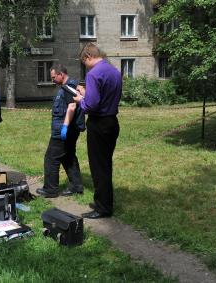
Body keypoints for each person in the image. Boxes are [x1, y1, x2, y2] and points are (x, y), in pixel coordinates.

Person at [73, 43, 122, 219]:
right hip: (111, 122)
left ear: (88, 57)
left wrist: (80, 99)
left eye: (83, 62)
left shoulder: (93, 74)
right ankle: (104, 201)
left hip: (99, 124)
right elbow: (104, 98)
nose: (84, 65)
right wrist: (88, 94)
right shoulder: (114, 71)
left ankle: (103, 208)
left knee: (98, 167)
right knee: (105, 164)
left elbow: (92, 105)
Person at [36, 64, 85, 198]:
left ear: (61, 74)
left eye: (53, 77)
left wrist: (64, 127)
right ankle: (76, 186)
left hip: (64, 130)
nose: (52, 80)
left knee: (51, 158)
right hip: (69, 129)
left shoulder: (69, 87)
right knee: (68, 156)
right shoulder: (68, 86)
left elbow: (72, 107)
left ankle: (50, 189)